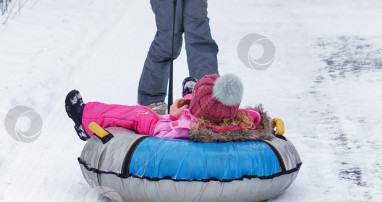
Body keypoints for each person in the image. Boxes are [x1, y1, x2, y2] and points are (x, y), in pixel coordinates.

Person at [65, 74, 273, 143]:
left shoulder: (186, 128)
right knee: (211, 103)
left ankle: (84, 118)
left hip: (174, 124)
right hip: (209, 117)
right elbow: (213, 111)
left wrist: (173, 114)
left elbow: (162, 134)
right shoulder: (247, 119)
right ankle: (192, 94)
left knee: (142, 114)